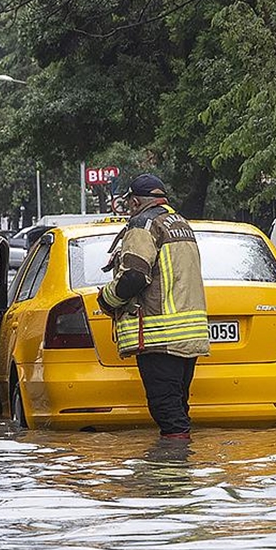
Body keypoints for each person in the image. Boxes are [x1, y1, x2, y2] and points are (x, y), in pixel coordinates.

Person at [97, 174, 209, 439]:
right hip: (187, 336)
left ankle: (170, 471)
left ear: (135, 202)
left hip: (160, 336)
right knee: (177, 405)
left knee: (167, 411)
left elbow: (134, 275)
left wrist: (107, 300)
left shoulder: (143, 225)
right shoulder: (180, 223)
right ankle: (182, 471)